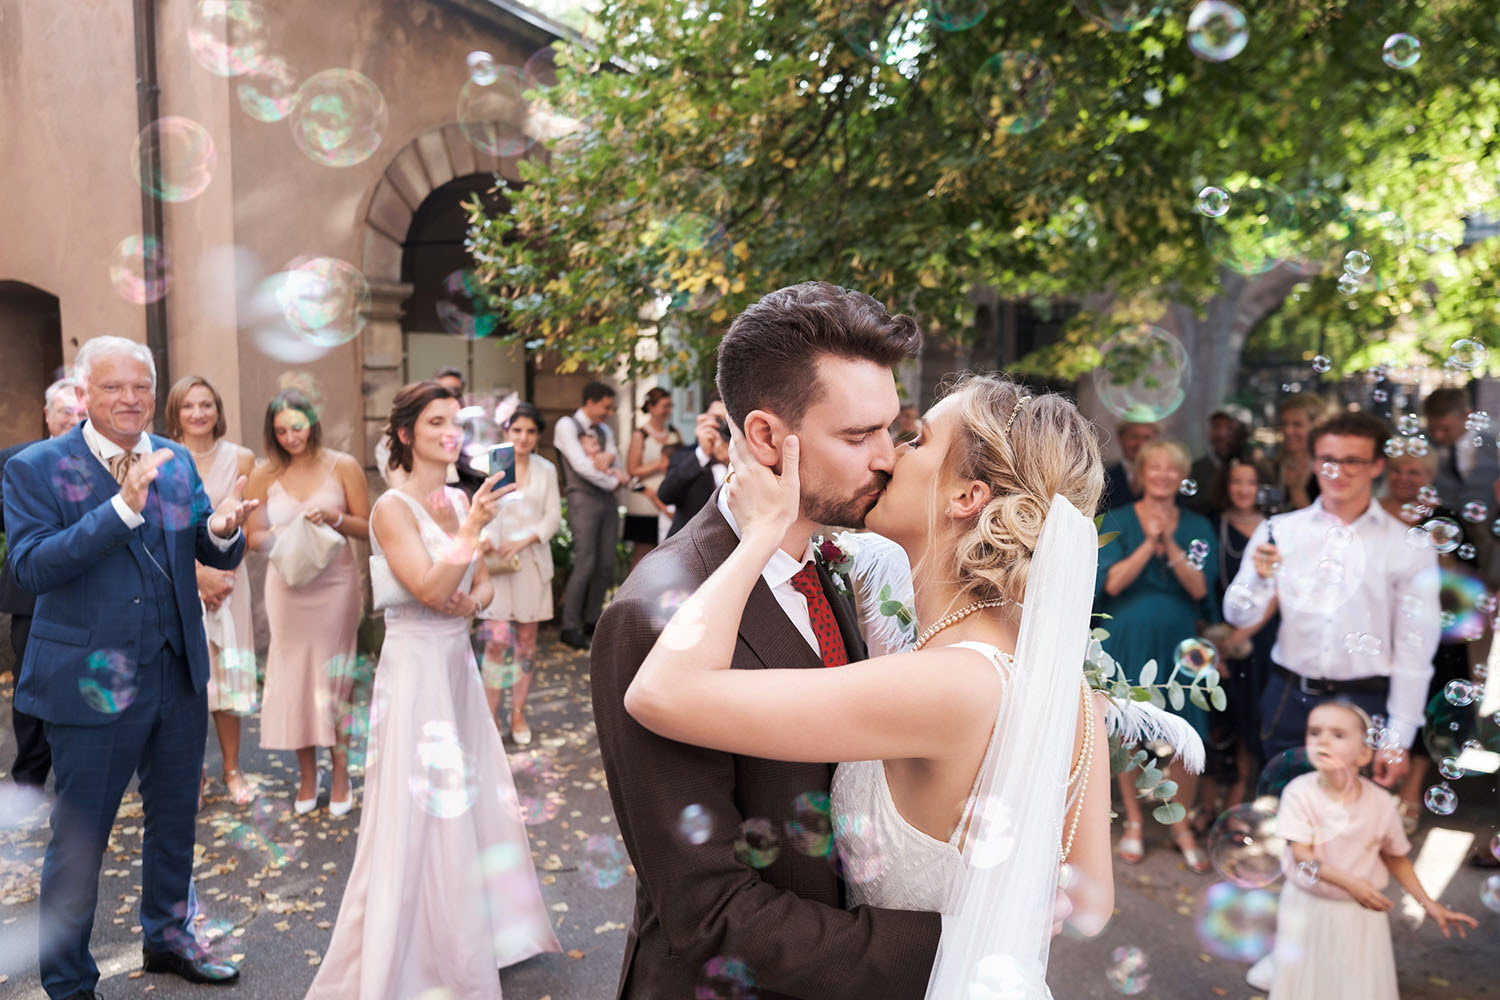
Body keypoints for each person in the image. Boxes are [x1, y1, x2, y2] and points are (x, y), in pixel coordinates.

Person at [592, 284, 1111, 1000]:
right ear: (769, 439)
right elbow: (706, 912)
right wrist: (970, 937)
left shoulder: (842, 582)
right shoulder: (652, 617)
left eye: (900, 432)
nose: (888, 458)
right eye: (858, 436)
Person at [4, 336, 256, 997]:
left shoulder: (171, 460)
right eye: (114, 387)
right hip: (89, 685)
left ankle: (169, 940)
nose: (130, 399)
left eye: (141, 387)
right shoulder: (34, 467)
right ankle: (67, 980)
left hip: (174, 673)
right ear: (84, 394)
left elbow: (205, 545)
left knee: (175, 818)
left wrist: (224, 528)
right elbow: (31, 565)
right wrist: (120, 510)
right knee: (81, 835)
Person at [306, 381, 559, 1000]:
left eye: (456, 422)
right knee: (421, 807)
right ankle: (416, 952)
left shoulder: (458, 496)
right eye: (436, 422)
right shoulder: (393, 508)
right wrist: (468, 540)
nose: (451, 433)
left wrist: (470, 594)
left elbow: (481, 585)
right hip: (417, 665)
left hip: (455, 662)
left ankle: (477, 934)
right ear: (405, 435)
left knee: (472, 798)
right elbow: (424, 587)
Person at [1224, 410, 1441, 787]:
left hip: (1368, 702)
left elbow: (1415, 646)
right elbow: (1239, 616)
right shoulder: (1279, 530)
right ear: (1313, 462)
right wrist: (1259, 579)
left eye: (1353, 461)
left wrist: (1399, 736)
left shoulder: (1408, 545)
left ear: (1376, 466)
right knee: (1287, 821)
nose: (1338, 471)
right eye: (1328, 460)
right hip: (1289, 698)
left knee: (1354, 834)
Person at [1267, 701, 1477, 1000]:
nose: (1322, 740)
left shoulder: (1380, 802)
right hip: (1307, 904)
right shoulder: (1299, 792)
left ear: (1365, 753)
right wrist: (1351, 883)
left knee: (1352, 979)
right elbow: (1302, 855)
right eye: (1314, 732)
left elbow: (1395, 857)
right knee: (1309, 981)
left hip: (1360, 912)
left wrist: (1427, 903)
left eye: (1337, 735)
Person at [245, 389, 369, 816]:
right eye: (280, 431)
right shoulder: (263, 474)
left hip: (335, 584)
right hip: (287, 587)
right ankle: (306, 775)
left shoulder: (343, 465)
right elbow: (252, 536)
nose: (290, 437)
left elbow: (369, 526)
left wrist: (334, 518)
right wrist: (280, 535)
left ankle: (339, 773)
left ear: (312, 423)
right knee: (295, 678)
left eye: (296, 427)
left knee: (334, 679)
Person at [1096, 439, 1219, 871]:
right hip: (1127, 639)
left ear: (1182, 477)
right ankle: (1133, 820)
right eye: (1156, 467)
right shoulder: (1116, 519)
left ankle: (1179, 824)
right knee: (1126, 732)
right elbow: (1110, 585)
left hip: (1180, 642)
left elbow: (1201, 590)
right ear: (1141, 473)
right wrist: (1148, 544)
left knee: (1190, 732)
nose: (1164, 475)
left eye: (1173, 469)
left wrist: (1170, 544)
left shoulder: (1199, 527)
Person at [1378, 446, 1488, 831]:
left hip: (1438, 634)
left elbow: (1467, 585)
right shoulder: (1372, 515)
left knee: (1431, 707)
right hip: (1382, 629)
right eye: (1397, 471)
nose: (1405, 478)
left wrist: (1438, 558)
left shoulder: (1445, 520)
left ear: (1428, 476)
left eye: (1414, 471)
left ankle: (1410, 794)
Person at [165, 375, 259, 806]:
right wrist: (196, 576)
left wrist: (220, 577)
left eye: (206, 404)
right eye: (189, 405)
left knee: (228, 680)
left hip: (229, 583)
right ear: (175, 412)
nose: (199, 413)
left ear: (218, 410)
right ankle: (194, 774)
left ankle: (232, 768)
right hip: (179, 584)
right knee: (189, 683)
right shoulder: (163, 458)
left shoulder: (241, 457)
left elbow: (246, 526)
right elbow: (160, 530)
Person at [1, 377, 83, 791]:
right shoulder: (14, 461)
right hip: (31, 598)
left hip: (89, 594)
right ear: (47, 415)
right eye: (65, 411)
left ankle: (83, 778)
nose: (74, 419)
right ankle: (29, 782)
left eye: (80, 412)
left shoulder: (104, 463)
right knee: (31, 689)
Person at [1195, 454, 1278, 827]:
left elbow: (1280, 591)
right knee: (1215, 721)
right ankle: (1206, 805)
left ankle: (1234, 807)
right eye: (1236, 482)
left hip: (1259, 639)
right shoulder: (1214, 526)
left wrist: (1244, 634)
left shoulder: (1279, 530)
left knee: (1248, 723)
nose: (1243, 490)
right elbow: (1208, 583)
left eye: (1251, 482)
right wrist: (1217, 638)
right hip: (1215, 635)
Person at [477, 402, 562, 747]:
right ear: (506, 432)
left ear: (537, 435)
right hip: (497, 566)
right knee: (497, 643)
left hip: (531, 563)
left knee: (526, 643)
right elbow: (480, 510)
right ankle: (490, 717)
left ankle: (518, 713)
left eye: (530, 431)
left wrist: (523, 540)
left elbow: (552, 517)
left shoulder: (546, 470)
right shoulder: (494, 464)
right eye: (517, 431)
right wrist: (491, 541)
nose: (523, 437)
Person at [554, 380, 627, 650]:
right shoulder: (566, 426)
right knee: (585, 562)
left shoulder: (605, 430)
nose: (609, 412)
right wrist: (612, 481)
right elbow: (582, 466)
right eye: (606, 407)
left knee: (606, 564)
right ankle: (569, 626)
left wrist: (611, 464)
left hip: (607, 501)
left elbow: (617, 463)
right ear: (590, 402)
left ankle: (592, 620)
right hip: (582, 498)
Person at [622, 386, 680, 569]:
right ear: (652, 407)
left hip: (668, 498)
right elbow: (632, 469)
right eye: (665, 406)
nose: (668, 411)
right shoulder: (640, 435)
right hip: (644, 500)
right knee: (643, 552)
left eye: (670, 406)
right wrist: (659, 464)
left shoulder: (674, 432)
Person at [658, 394, 730, 538]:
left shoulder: (749, 459)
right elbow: (666, 494)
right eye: (718, 419)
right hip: (687, 548)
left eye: (728, 421)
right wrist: (702, 454)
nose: (723, 426)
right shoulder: (685, 455)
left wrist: (729, 462)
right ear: (703, 419)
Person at [1424, 385, 1500, 510]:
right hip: (1439, 523)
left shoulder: (1493, 444)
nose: (1438, 436)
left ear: (1467, 415)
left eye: (1446, 429)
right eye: (1432, 428)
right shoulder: (1423, 445)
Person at [1185, 407, 1249, 516]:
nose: (1222, 433)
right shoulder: (1197, 469)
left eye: (1230, 427)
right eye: (1216, 426)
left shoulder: (1251, 468)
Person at [1268, 393, 1327, 511]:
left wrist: (1297, 492)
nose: (1288, 431)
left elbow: (1326, 524)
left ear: (1315, 427)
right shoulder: (1271, 468)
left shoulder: (1325, 474)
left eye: (1297, 424)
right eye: (1284, 424)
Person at [1099, 418, 1158, 512]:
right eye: (1134, 437)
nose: (1140, 444)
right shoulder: (1104, 479)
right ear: (1120, 438)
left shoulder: (1167, 480)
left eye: (1147, 438)